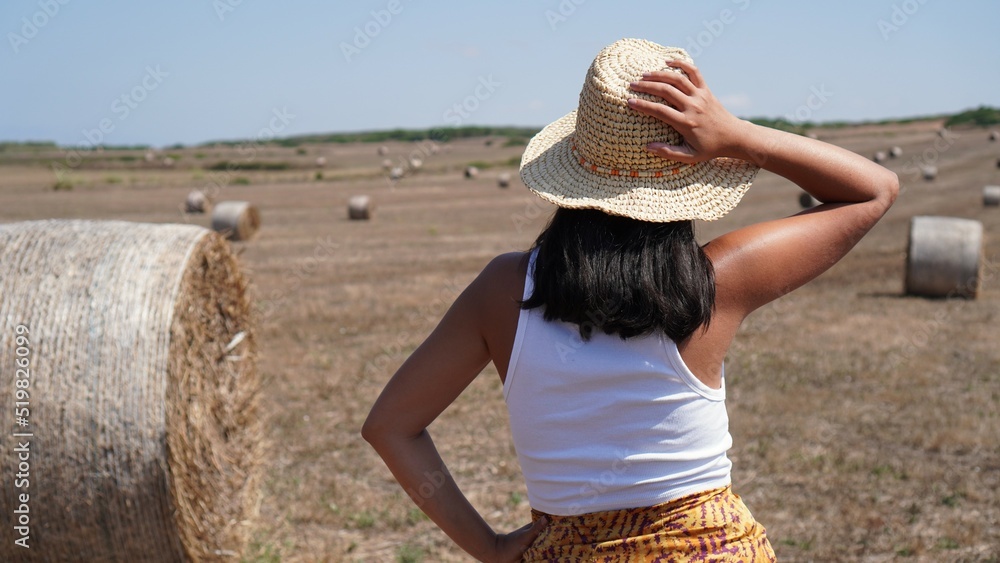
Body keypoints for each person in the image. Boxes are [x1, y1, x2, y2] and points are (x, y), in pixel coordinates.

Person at [362, 38, 898, 562]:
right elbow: (875, 189)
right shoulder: (718, 281)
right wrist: (736, 135)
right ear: (693, 172)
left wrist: (491, 547)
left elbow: (390, 426)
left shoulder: (504, 289)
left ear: (574, 167)